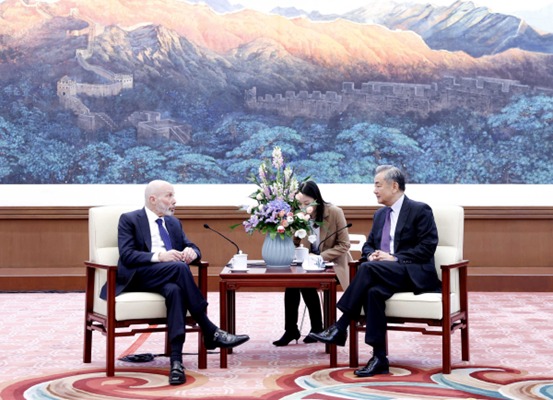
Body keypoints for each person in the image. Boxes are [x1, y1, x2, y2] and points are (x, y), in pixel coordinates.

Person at [100, 180, 249, 385]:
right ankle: (208, 328)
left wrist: (192, 252)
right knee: (179, 268)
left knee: (175, 291)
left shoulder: (173, 223)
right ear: (153, 199)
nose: (174, 200)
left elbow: (192, 246)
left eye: (173, 195)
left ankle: (176, 362)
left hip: (167, 277)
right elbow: (127, 255)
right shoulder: (130, 219)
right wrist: (160, 256)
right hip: (138, 277)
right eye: (169, 196)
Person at [309, 165, 441, 377]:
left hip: (411, 273)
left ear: (394, 186)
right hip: (383, 273)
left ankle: (340, 326)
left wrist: (394, 257)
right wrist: (372, 255)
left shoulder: (419, 210)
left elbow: (427, 247)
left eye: (378, 185)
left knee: (367, 269)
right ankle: (379, 358)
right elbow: (368, 245)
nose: (374, 190)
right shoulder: (380, 215)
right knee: (373, 292)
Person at [273, 180, 351, 346]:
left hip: (332, 264)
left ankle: (316, 328)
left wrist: (320, 257)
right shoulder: (298, 215)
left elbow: (344, 245)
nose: (303, 207)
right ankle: (292, 329)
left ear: (317, 199)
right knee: (293, 282)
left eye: (307, 203)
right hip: (307, 264)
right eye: (300, 204)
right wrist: (293, 236)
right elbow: (296, 243)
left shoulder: (335, 212)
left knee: (305, 283)